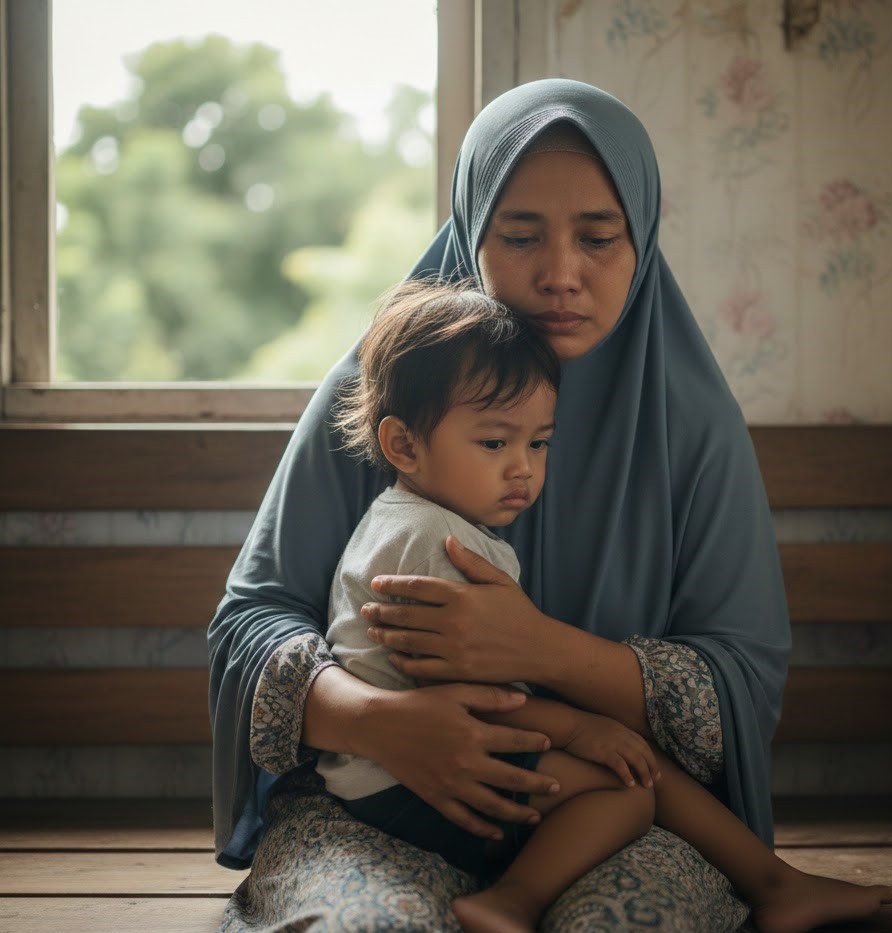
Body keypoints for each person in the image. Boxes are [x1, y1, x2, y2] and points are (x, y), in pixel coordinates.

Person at [208, 78, 826, 932]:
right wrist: (385, 722)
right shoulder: (385, 396)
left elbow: (740, 685)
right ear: (470, 231)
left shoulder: (691, 424)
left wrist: (545, 649)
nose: (561, 274)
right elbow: (251, 624)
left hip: (609, 808)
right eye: (521, 234)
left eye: (599, 237)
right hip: (369, 806)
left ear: (641, 238)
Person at [314, 280, 892, 933]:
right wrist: (576, 728)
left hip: (388, 778)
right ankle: (516, 898)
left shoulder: (400, 522)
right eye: (494, 442)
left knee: (630, 759)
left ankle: (777, 882)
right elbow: (466, 707)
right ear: (404, 445)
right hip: (414, 784)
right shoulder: (439, 545)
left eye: (538, 443)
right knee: (630, 789)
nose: (523, 470)